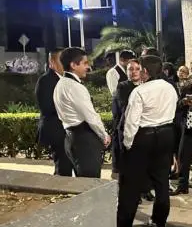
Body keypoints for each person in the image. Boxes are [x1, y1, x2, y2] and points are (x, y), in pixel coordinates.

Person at [117, 55, 178, 227]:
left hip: (144, 136)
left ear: (145, 71)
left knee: (131, 182)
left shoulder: (140, 92)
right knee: (161, 180)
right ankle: (159, 220)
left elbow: (131, 122)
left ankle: (124, 223)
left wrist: (128, 144)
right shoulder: (170, 88)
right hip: (166, 133)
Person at [53, 47, 111, 178]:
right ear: (73, 65)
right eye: (85, 63)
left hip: (70, 138)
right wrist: (104, 135)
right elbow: (90, 116)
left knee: (82, 183)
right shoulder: (75, 87)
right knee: (91, 184)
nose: (88, 67)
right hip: (84, 141)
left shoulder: (60, 84)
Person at [35, 48, 73, 176]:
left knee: (66, 164)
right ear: (52, 61)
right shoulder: (45, 80)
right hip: (55, 129)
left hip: (65, 130)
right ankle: (60, 191)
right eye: (61, 60)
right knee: (63, 165)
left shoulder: (65, 79)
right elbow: (46, 107)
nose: (65, 63)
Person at [112, 59, 144, 175]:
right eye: (131, 69)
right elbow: (125, 107)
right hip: (127, 128)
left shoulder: (145, 85)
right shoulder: (123, 86)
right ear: (126, 71)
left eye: (137, 69)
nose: (134, 72)